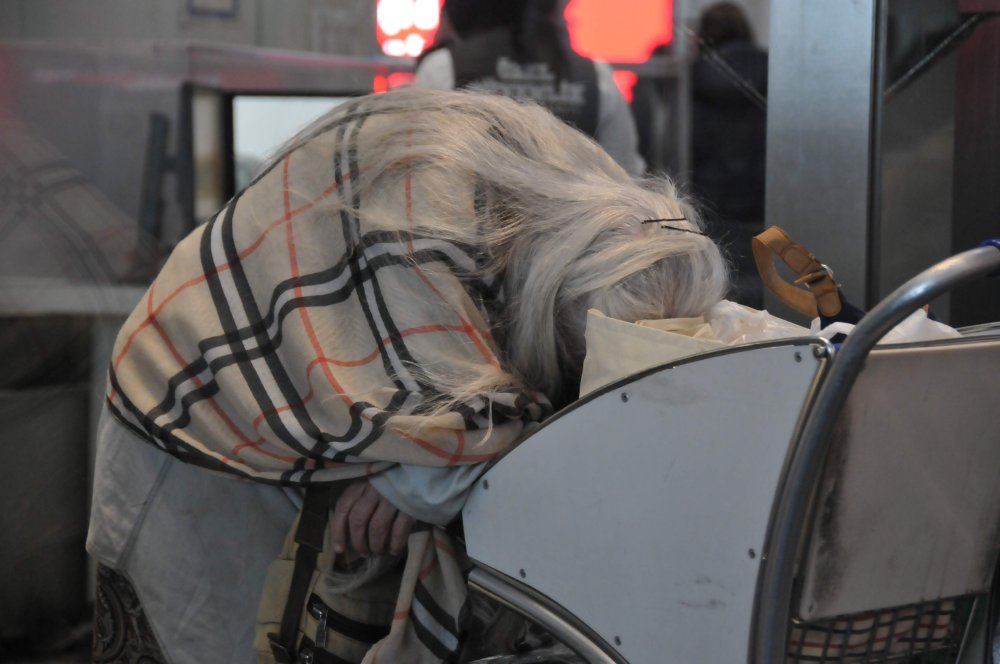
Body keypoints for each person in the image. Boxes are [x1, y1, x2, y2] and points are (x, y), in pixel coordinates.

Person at [87, 88, 727, 663]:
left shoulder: (611, 214)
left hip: (319, 426)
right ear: (549, 300)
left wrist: (414, 474)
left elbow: (485, 427)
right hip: (207, 413)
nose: (566, 378)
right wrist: (416, 476)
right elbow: (461, 433)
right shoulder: (428, 208)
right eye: (571, 356)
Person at [414, 0, 646, 177]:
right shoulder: (596, 77)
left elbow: (420, 173)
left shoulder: (444, 69)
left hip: (467, 234)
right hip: (574, 235)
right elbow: (626, 177)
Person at [690, 2, 768, 307]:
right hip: (766, 211)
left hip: (706, 212)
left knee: (716, 306)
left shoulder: (684, 80)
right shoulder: (780, 74)